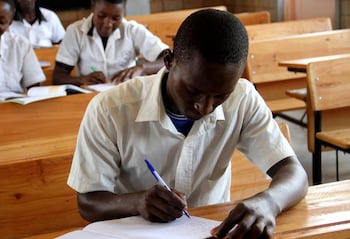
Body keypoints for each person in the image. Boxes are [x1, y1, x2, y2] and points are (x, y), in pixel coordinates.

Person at [67, 9, 308, 239]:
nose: (205, 108)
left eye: (221, 96)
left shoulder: (242, 98)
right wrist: (137, 201)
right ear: (169, 61)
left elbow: (294, 173)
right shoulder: (110, 109)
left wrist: (269, 202)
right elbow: (88, 202)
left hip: (210, 230)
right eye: (194, 91)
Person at [52, 0, 169, 86]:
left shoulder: (133, 30)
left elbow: (170, 59)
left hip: (126, 95)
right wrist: (81, 79)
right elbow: (58, 76)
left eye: (116, 18)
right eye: (101, 16)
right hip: (89, 97)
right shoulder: (75, 31)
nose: (108, 24)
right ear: (93, 7)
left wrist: (143, 67)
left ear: (123, 12)